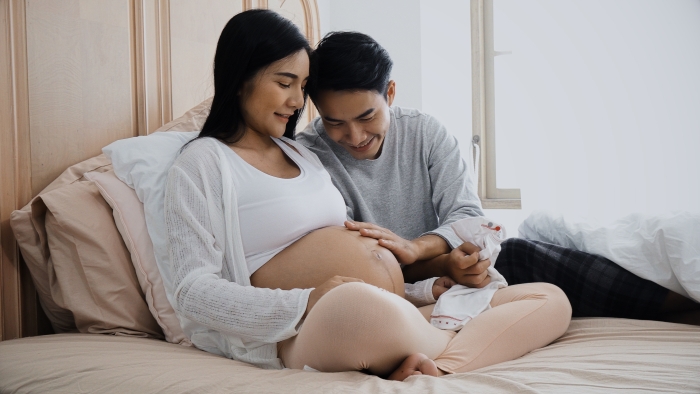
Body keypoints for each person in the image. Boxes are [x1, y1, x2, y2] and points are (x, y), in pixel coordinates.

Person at [164, 9, 572, 381]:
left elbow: (365, 254)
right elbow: (190, 290)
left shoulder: (300, 154)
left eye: (302, 86)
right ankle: (435, 348)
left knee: (550, 299)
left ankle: (436, 367)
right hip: (309, 324)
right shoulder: (202, 163)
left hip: (394, 305)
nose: (296, 101)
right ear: (240, 78)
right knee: (357, 307)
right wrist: (305, 302)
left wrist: (425, 284)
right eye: (285, 83)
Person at [297, 31, 700, 324]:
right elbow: (352, 259)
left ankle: (683, 306)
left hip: (461, 263)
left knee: (526, 252)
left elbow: (470, 215)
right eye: (334, 122)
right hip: (397, 285)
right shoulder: (312, 157)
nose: (354, 136)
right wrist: (436, 265)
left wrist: (420, 248)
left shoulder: (424, 132)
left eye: (367, 117)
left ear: (390, 94)